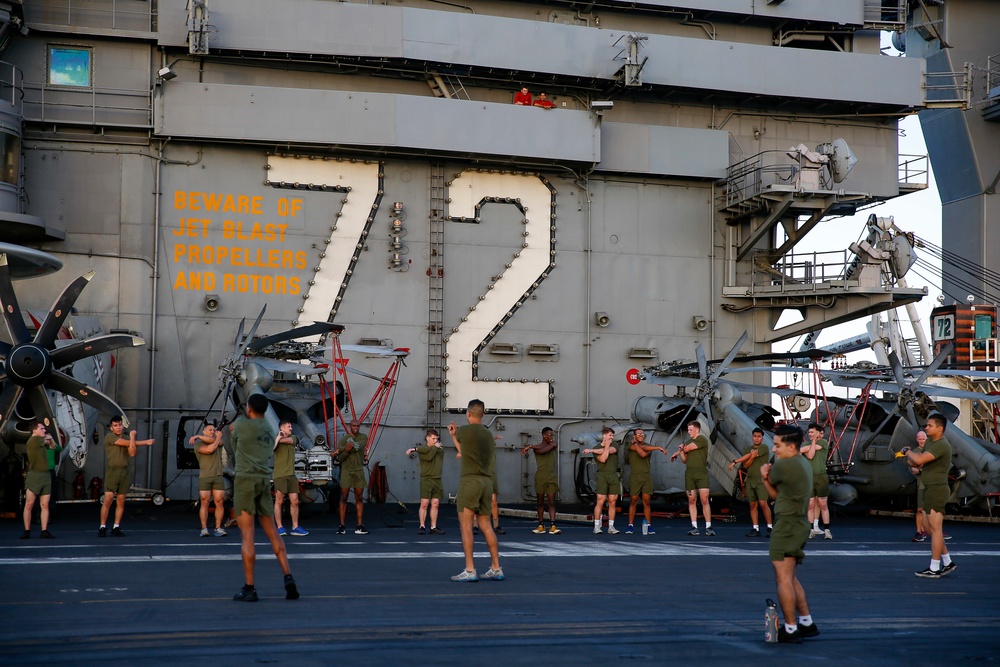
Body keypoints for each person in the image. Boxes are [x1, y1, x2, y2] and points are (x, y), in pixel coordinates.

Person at [230, 393, 299, 602]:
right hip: (263, 479)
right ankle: (288, 577)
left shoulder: (242, 424)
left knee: (248, 535)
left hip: (245, 480)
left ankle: (250, 587)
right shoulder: (270, 429)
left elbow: (232, 432)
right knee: (273, 533)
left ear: (249, 408)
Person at [760, 423, 819, 644]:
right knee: (791, 576)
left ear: (791, 446)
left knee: (783, 578)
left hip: (787, 525)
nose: (774, 450)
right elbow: (777, 495)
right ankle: (806, 622)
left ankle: (791, 628)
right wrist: (767, 479)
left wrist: (764, 475)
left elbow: (772, 481)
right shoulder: (801, 463)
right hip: (798, 523)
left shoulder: (785, 466)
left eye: (777, 445)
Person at [447, 399, 503, 582]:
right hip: (486, 482)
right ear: (483, 414)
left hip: (469, 481)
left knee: (466, 526)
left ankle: (470, 569)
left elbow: (462, 451)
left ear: (468, 414)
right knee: (486, 525)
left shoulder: (464, 431)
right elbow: (468, 451)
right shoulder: (488, 434)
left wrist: (454, 435)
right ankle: (496, 567)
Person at [905, 414, 956, 578]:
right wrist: (912, 458)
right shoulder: (930, 442)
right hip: (927, 488)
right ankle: (947, 562)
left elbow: (918, 458)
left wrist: (907, 451)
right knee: (928, 528)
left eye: (929, 426)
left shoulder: (941, 444)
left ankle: (935, 568)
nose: (926, 428)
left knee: (935, 530)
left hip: (937, 489)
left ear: (940, 428)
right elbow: (916, 463)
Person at [99, 417, 154, 537]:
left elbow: (132, 452)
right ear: (111, 427)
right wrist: (144, 442)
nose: (118, 427)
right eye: (115, 425)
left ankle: (116, 526)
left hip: (124, 471)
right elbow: (126, 443)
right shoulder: (110, 437)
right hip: (112, 471)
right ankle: (102, 526)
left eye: (119, 425)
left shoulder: (128, 438)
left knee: (121, 500)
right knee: (108, 499)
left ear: (122, 426)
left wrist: (133, 439)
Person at [670, 420, 714, 536]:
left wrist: (677, 452)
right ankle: (694, 526)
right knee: (691, 500)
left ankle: (708, 526)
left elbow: (688, 448)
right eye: (688, 430)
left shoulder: (701, 440)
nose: (688, 432)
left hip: (701, 474)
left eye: (690, 430)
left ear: (697, 430)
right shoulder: (688, 442)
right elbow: (685, 460)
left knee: (704, 499)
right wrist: (680, 453)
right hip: (690, 474)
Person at [728, 427, 773, 537]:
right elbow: (746, 465)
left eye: (759, 437)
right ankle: (755, 528)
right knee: (752, 504)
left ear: (762, 438)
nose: (756, 439)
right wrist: (751, 457)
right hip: (751, 479)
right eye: (755, 436)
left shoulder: (764, 447)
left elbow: (750, 456)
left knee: (763, 503)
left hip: (761, 479)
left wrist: (735, 461)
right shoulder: (748, 449)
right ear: (752, 437)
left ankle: (770, 527)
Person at [625, 429, 666, 535]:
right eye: (638, 434)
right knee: (633, 500)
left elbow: (643, 452)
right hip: (635, 476)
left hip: (646, 476)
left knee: (646, 502)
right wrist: (635, 443)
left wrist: (656, 447)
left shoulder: (648, 446)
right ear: (634, 436)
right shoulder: (630, 446)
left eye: (642, 434)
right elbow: (639, 451)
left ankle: (648, 525)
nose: (641, 435)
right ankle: (630, 525)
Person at [190, 422, 227, 537]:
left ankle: (218, 527)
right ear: (204, 432)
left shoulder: (218, 441)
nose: (213, 431)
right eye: (210, 430)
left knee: (219, 502)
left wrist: (199, 436)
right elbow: (209, 450)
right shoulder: (198, 444)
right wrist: (199, 438)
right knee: (205, 502)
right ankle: (204, 528)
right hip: (205, 476)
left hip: (218, 476)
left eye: (214, 430)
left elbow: (218, 442)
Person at [21, 421, 57, 539]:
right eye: (41, 428)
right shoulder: (34, 440)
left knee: (45, 504)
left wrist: (50, 439)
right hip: (35, 475)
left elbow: (54, 447)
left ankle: (44, 530)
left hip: (45, 475)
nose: (44, 430)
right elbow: (49, 442)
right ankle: (27, 530)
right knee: (29, 504)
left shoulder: (42, 442)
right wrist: (50, 438)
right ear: (34, 430)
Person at [523, 427, 561, 534]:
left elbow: (545, 449)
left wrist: (530, 446)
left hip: (551, 476)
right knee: (540, 502)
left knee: (551, 502)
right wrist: (532, 447)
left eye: (552, 435)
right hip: (541, 476)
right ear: (544, 435)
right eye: (549, 435)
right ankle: (541, 525)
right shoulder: (538, 448)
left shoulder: (553, 444)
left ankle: (553, 525)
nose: (551, 437)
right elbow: (541, 449)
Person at [407, 429, 446, 534]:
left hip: (437, 478)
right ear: (427, 438)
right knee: (424, 503)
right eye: (433, 438)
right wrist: (417, 449)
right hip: (426, 478)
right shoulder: (424, 450)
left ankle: (433, 527)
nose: (435, 441)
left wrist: (415, 449)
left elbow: (432, 451)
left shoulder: (439, 449)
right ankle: (422, 526)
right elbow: (428, 457)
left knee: (435, 503)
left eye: (436, 439)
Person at [273, 420, 308, 537]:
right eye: (289, 426)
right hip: (280, 474)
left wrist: (278, 439)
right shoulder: (275, 438)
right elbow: (272, 446)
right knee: (279, 500)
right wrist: (277, 439)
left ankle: (295, 527)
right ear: (282, 428)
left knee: (295, 501)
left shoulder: (293, 437)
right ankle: (280, 527)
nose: (291, 428)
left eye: (291, 426)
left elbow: (289, 441)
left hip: (291, 475)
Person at [583, 427, 620, 534]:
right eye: (610, 435)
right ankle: (597, 526)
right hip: (602, 475)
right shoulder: (597, 447)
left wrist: (591, 450)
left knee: (612, 502)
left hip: (613, 475)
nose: (612, 437)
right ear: (604, 436)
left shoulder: (615, 445)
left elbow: (611, 451)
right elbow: (603, 459)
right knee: (600, 501)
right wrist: (605, 447)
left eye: (612, 435)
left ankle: (611, 527)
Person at [336, 420, 369, 535]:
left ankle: (359, 525)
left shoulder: (363, 437)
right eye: (354, 426)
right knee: (343, 497)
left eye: (358, 426)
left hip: (358, 470)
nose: (356, 428)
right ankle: (342, 525)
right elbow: (340, 459)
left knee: (359, 497)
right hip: (346, 471)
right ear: (350, 427)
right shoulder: (344, 439)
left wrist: (342, 449)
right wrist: (345, 450)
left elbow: (357, 447)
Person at [803, 423, 832, 540]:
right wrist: (810, 445)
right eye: (809, 432)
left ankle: (827, 530)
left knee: (823, 504)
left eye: (812, 432)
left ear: (818, 433)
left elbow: (809, 452)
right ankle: (811, 530)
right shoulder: (806, 443)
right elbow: (810, 454)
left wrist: (811, 443)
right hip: (809, 477)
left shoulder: (823, 442)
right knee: (810, 505)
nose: (810, 434)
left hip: (821, 477)